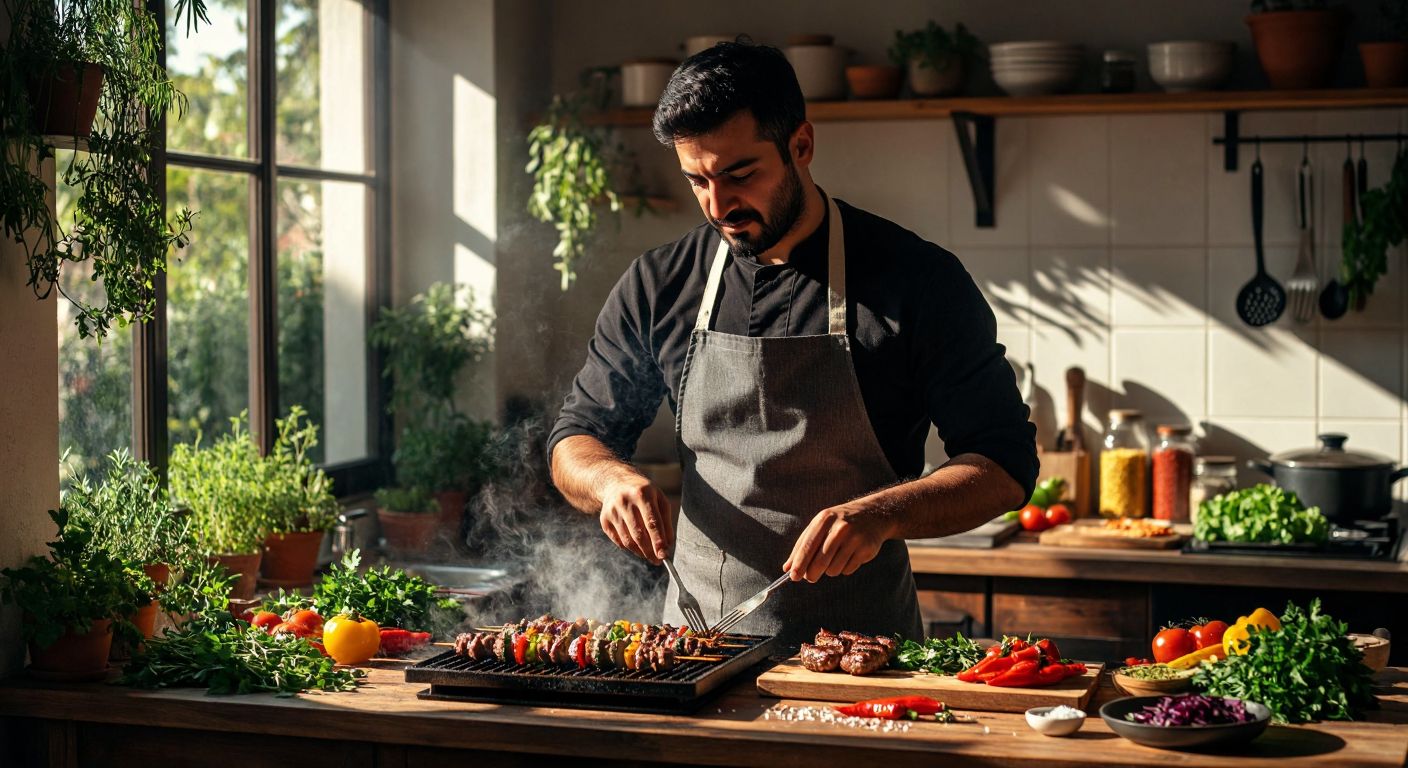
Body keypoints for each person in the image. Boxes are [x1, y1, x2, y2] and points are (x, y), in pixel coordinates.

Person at [548, 42, 1037, 644]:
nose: (718, 205)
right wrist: (609, 483)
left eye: (740, 175)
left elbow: (1004, 465)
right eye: (697, 180)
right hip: (695, 653)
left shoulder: (917, 280)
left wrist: (883, 514)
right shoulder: (659, 284)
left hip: (863, 659)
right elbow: (576, 438)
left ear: (801, 145)